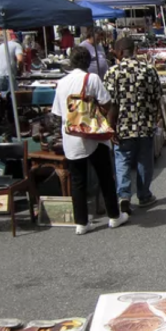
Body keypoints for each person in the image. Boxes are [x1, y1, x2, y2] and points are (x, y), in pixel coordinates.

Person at [51, 45, 128, 235]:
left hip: (71, 136)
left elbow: (57, 113)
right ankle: (114, 216)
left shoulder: (61, 82)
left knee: (78, 180)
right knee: (105, 177)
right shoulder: (91, 79)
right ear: (88, 62)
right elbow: (107, 103)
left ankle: (81, 222)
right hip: (93, 135)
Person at [104, 37, 164, 215]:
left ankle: (124, 196)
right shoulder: (148, 70)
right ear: (135, 50)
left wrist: (110, 126)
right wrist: (155, 118)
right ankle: (144, 195)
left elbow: (109, 104)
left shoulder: (112, 72)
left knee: (122, 160)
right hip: (145, 124)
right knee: (144, 161)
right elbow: (157, 97)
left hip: (122, 126)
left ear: (119, 52)